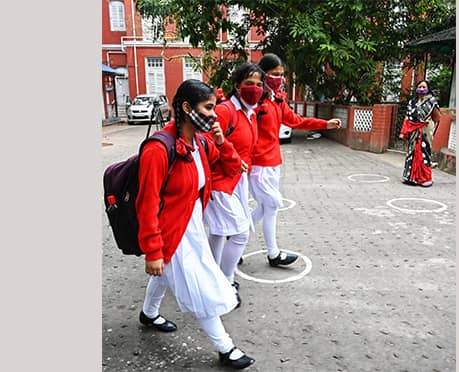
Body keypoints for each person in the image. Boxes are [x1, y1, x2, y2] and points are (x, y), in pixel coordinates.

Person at [136, 79, 255, 369]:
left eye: (215, 107)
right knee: (199, 284)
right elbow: (146, 203)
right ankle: (225, 347)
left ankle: (149, 313)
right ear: (188, 108)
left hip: (191, 226)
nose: (214, 114)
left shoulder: (199, 143)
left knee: (164, 276)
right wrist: (153, 250)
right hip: (170, 234)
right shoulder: (158, 149)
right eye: (208, 108)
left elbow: (229, 168)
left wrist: (221, 141)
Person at [249, 53, 342, 267]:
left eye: (281, 75)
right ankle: (272, 253)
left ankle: (237, 236)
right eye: (274, 74)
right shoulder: (255, 102)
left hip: (273, 162)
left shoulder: (277, 99)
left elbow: (295, 121)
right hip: (258, 164)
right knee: (272, 204)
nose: (279, 79)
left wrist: (324, 124)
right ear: (263, 74)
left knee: (266, 207)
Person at [202, 63, 264, 304]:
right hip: (220, 181)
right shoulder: (226, 110)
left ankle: (213, 275)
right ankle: (225, 281)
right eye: (249, 84)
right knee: (239, 233)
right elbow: (206, 143)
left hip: (237, 181)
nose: (255, 89)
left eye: (259, 84)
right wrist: (232, 159)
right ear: (237, 86)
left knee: (219, 231)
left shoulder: (250, 112)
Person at [399, 79, 441, 187]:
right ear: (416, 89)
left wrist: (428, 123)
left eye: (424, 87)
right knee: (411, 152)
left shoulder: (431, 101)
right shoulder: (412, 102)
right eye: (420, 87)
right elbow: (407, 118)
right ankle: (410, 177)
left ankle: (425, 178)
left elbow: (437, 118)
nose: (421, 89)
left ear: (428, 89)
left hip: (425, 130)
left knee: (424, 152)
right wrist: (403, 132)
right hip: (413, 130)